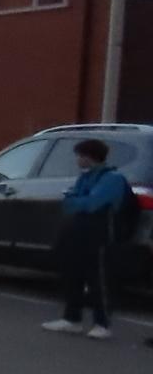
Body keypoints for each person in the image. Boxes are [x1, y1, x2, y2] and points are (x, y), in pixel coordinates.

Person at [43, 138, 135, 340]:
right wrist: (76, 200)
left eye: (80, 156)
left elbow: (93, 203)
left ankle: (102, 323)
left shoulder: (112, 179)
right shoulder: (85, 177)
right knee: (73, 273)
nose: (78, 160)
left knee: (98, 278)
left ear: (90, 156)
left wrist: (76, 200)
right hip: (79, 232)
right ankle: (72, 318)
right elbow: (71, 202)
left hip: (101, 234)